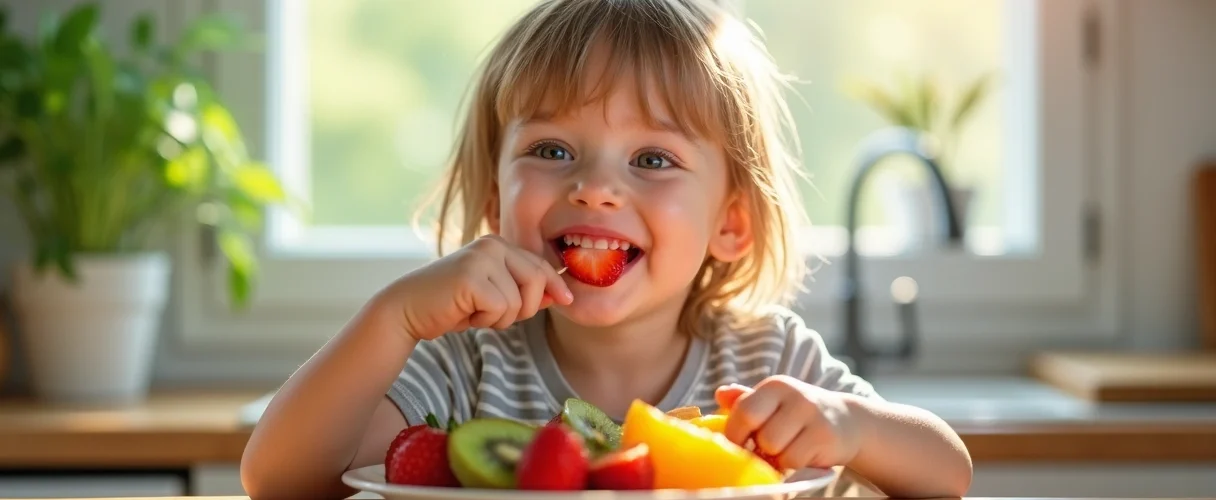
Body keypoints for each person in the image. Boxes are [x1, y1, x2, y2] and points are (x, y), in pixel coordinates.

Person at [240, 0, 972, 498]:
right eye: (552, 149)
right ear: (495, 201)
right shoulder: (466, 362)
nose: (594, 189)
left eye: (652, 160)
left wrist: (852, 426)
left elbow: (947, 473)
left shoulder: (768, 359)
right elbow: (280, 481)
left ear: (731, 224)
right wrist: (392, 319)